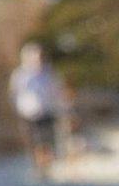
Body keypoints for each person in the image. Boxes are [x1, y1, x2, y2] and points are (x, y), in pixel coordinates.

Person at [10, 42, 72, 178]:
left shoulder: (49, 74)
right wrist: (17, 109)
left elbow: (58, 92)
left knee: (45, 140)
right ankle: (37, 166)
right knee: (33, 141)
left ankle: (45, 166)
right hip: (27, 114)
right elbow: (14, 93)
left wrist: (63, 108)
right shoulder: (20, 75)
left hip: (47, 112)